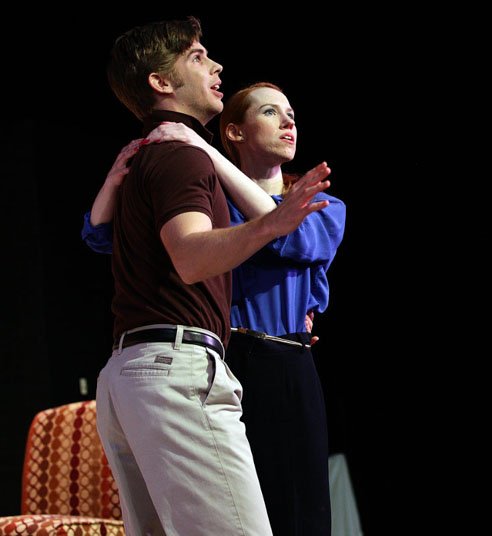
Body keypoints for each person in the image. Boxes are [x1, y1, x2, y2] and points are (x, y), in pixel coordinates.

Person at [93, 16, 333, 536]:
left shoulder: (182, 158)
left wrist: (270, 214)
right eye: (198, 57)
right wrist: (116, 179)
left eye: (291, 112)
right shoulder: (179, 161)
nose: (216, 64)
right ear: (235, 131)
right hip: (185, 362)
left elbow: (296, 236)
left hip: (221, 362)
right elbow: (185, 254)